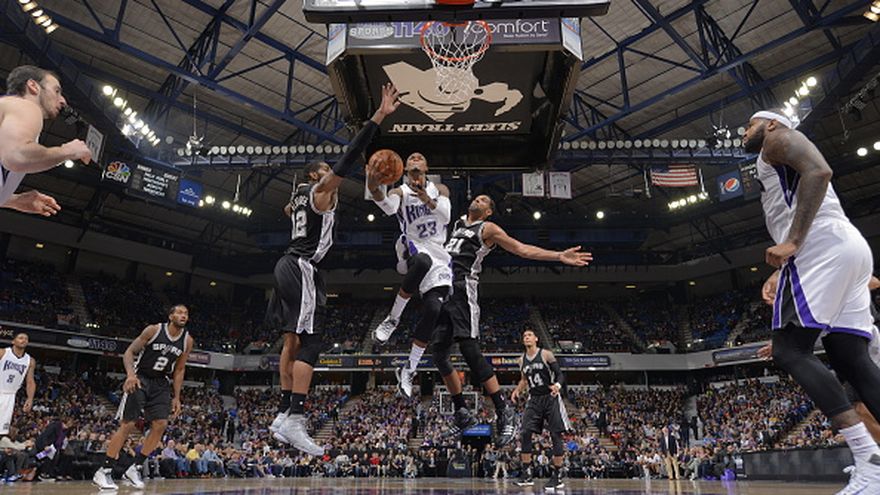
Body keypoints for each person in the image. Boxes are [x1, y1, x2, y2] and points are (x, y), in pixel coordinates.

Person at [742, 109, 880, 494]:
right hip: (846, 248)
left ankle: (869, 460)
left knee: (789, 350)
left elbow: (819, 172)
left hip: (818, 247)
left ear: (771, 123)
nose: (744, 132)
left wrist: (793, 242)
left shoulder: (777, 139)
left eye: (750, 125)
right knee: (852, 359)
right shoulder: (770, 159)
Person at [267, 83, 401, 454]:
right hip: (302, 267)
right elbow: (349, 157)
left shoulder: (300, 197)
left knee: (292, 341)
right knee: (312, 342)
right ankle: (295, 418)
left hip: (288, 265)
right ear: (316, 177)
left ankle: (282, 412)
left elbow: (289, 210)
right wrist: (379, 115)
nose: (333, 176)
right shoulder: (320, 191)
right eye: (326, 172)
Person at [428, 194, 591, 445]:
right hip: (443, 289)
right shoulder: (458, 223)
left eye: (484, 200)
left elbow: (521, 249)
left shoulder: (488, 229)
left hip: (463, 290)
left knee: (470, 350)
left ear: (488, 212)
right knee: (438, 354)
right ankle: (461, 411)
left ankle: (504, 410)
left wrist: (558, 256)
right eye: (477, 197)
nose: (478, 200)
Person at [367, 151, 452, 398]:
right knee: (422, 261)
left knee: (434, 310)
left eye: (419, 157)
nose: (415, 157)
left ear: (426, 167)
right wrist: (373, 186)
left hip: (440, 254)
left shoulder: (440, 189)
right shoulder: (400, 192)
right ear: (403, 169)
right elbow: (388, 207)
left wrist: (426, 198)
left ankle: (409, 369)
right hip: (414, 247)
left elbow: (446, 216)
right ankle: (392, 319)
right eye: (411, 158)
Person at [93, 304, 194, 490]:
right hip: (141, 378)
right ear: (170, 316)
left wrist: (177, 397)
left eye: (186, 313)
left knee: (161, 424)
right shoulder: (154, 330)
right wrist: (131, 375)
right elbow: (129, 352)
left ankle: (136, 467)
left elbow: (180, 369)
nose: (183, 316)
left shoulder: (187, 340)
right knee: (128, 424)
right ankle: (104, 470)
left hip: (161, 382)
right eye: (179, 312)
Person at [0, 65, 91, 216]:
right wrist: (67, 151)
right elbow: (17, 157)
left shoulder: (10, 112)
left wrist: (12, 200)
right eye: (56, 91)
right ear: (33, 86)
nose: (63, 100)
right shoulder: (26, 106)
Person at [513, 329, 571, 490]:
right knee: (525, 432)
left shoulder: (546, 354)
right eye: (524, 336)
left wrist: (557, 385)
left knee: (555, 434)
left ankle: (557, 476)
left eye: (529, 335)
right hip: (534, 399)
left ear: (536, 339)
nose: (526, 337)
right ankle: (527, 474)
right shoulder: (521, 360)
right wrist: (517, 390)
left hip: (550, 397)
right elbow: (524, 380)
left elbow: (560, 374)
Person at [0, 332, 35, 437]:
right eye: (20, 338)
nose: (23, 340)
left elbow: (30, 381)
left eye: (26, 339)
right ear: (13, 341)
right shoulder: (2, 353)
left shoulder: (30, 361)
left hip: (10, 396)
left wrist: (30, 398)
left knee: (2, 430)